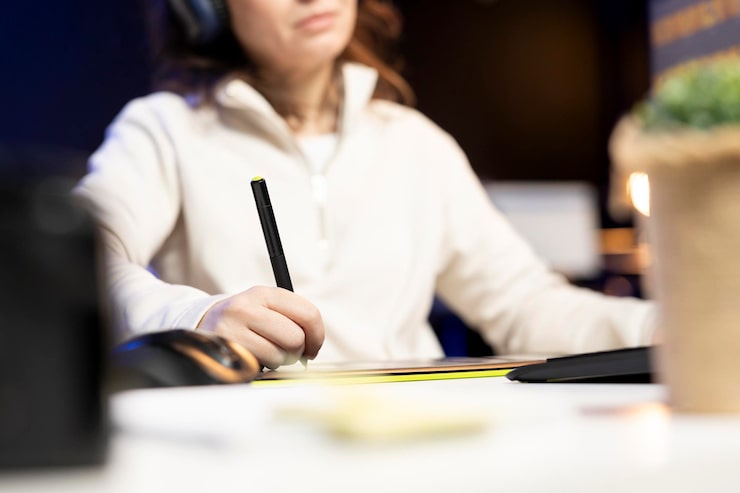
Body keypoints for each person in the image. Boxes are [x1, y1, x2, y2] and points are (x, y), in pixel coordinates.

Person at [74, 0, 655, 370]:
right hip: (248, 447)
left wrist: (671, 329)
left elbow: (527, 305)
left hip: (411, 443)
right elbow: (74, 263)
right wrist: (196, 317)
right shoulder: (165, 129)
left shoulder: (414, 141)